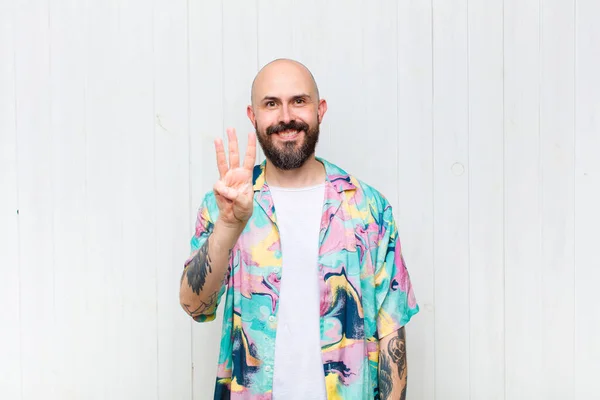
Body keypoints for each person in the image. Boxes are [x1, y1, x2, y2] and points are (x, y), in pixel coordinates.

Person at [179, 58, 419, 400]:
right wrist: (228, 227)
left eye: (299, 101)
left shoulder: (368, 208)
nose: (286, 117)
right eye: (271, 104)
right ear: (253, 115)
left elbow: (392, 330)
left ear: (320, 110)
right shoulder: (225, 205)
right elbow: (195, 305)